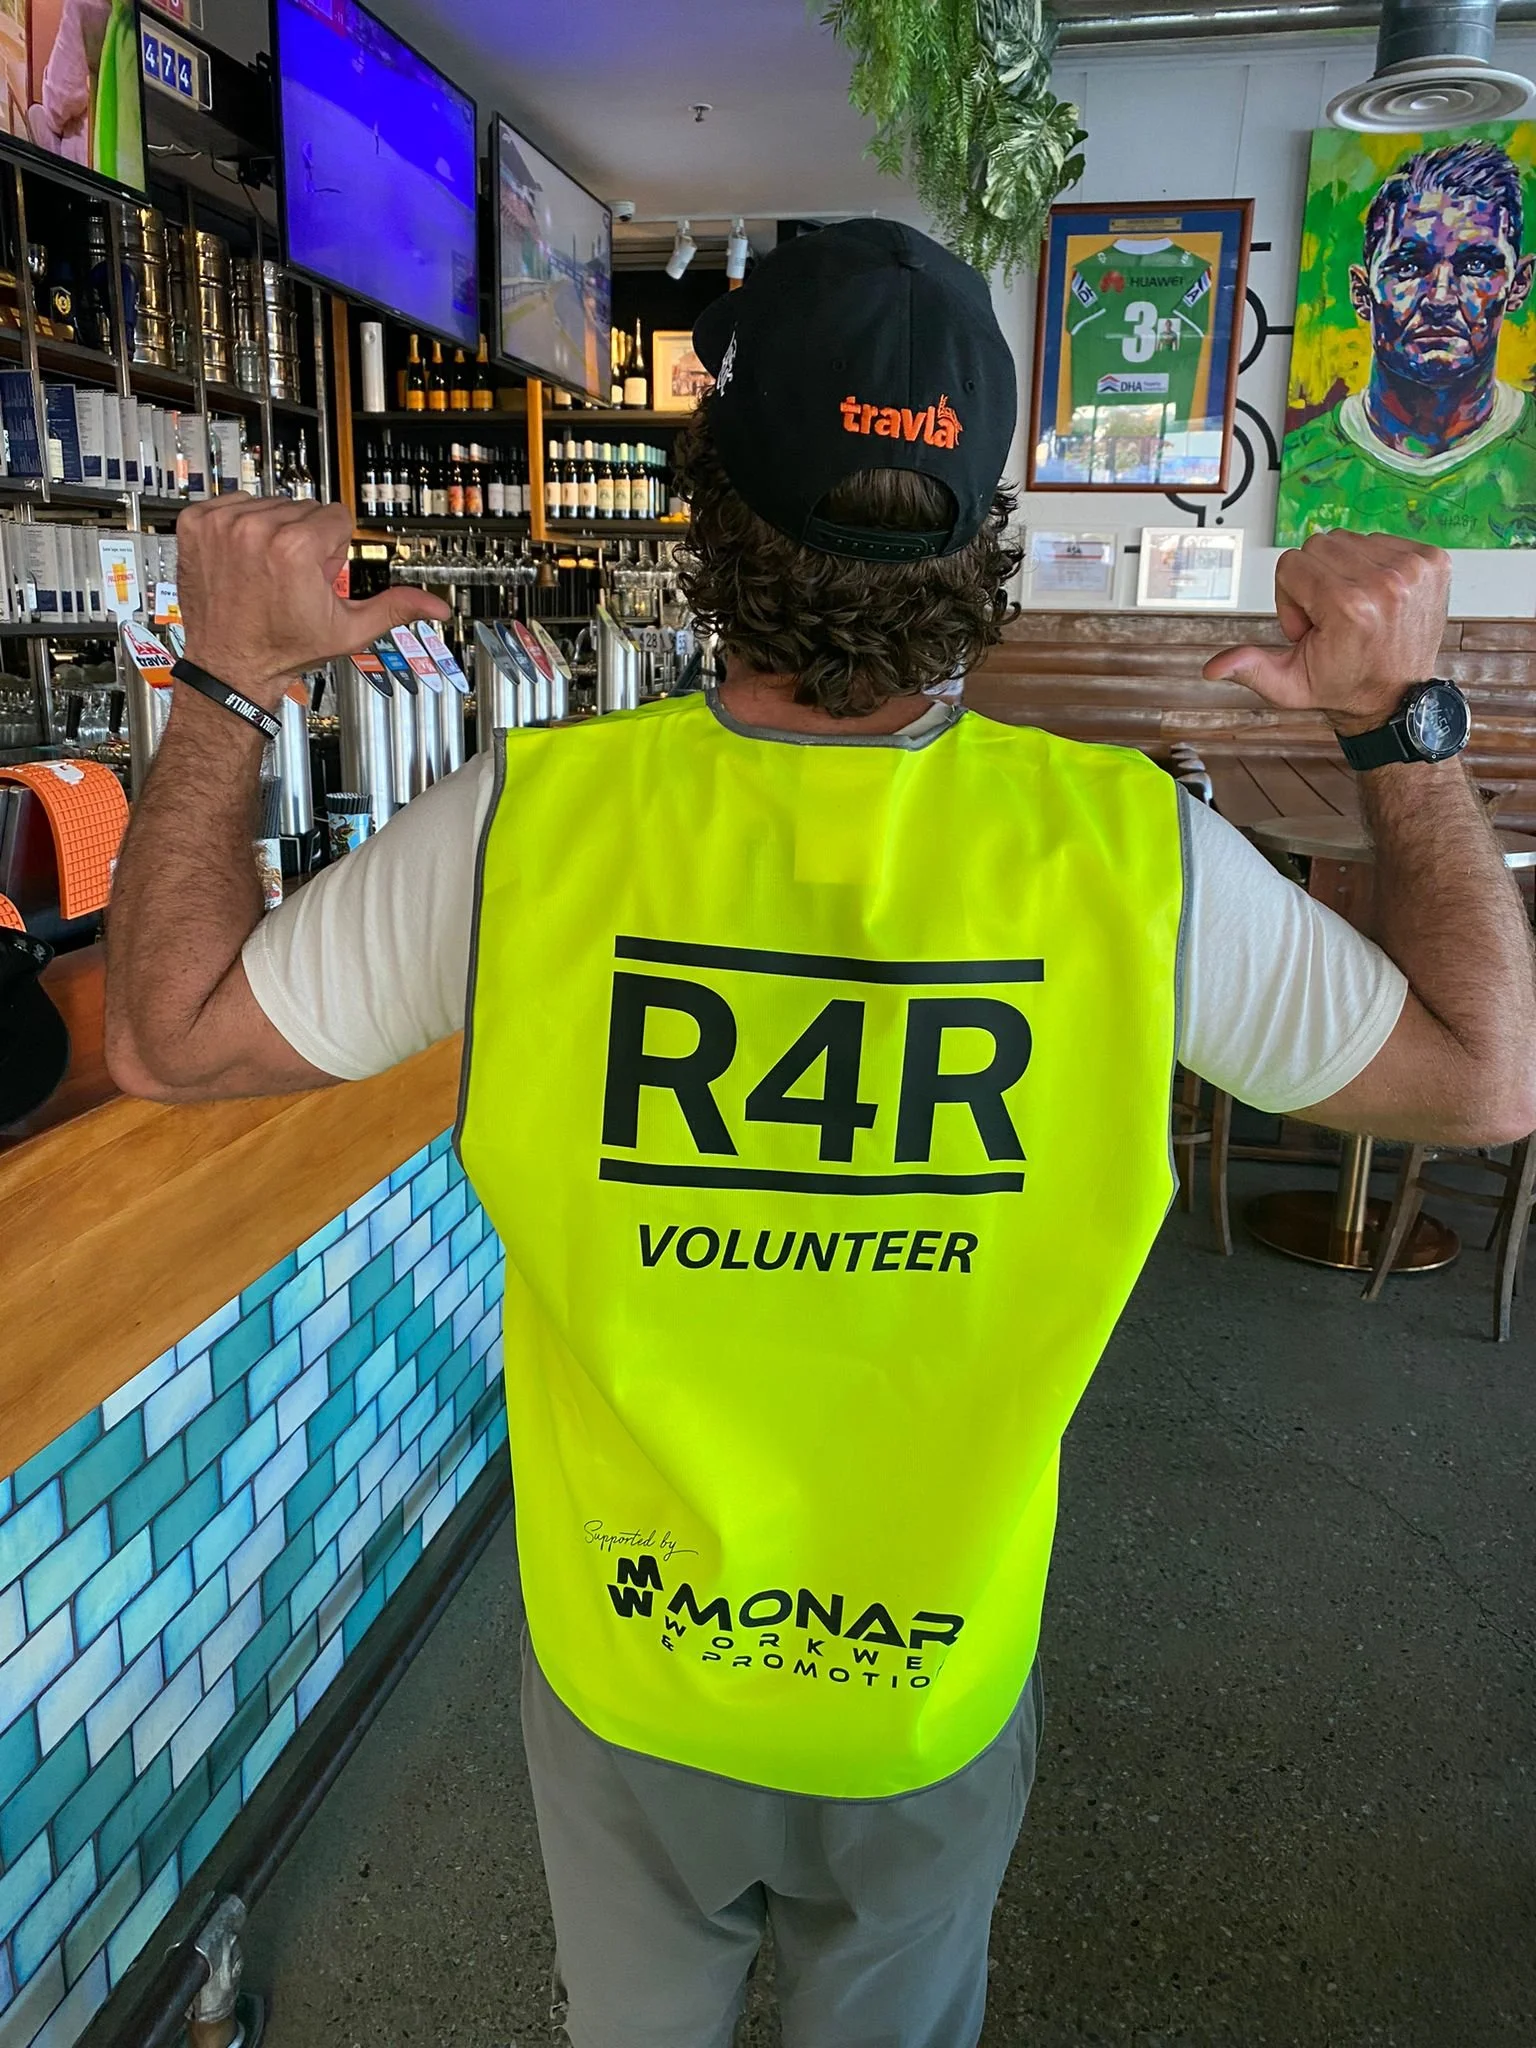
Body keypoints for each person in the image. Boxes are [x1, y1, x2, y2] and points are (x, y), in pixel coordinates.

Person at [106, 221, 1536, 2048]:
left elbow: (166, 1037)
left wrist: (227, 680)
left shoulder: (530, 825)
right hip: (924, 1685)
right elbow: (1484, 1081)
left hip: (632, 1668)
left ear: (710, 503)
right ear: (982, 525)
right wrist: (1405, 724)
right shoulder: (1131, 856)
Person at [1278, 138, 1536, 547]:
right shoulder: (1297, 468)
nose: (1440, 298)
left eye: (1475, 265)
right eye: (1409, 267)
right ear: (1361, 292)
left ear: (1518, 285)